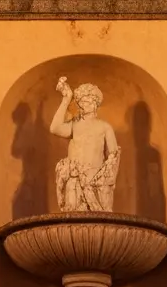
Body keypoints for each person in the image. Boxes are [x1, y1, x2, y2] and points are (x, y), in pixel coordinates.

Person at [49, 77, 120, 213]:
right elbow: (55, 128)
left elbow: (114, 156)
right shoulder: (74, 125)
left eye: (88, 101)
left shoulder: (104, 127)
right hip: (74, 179)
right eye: (81, 102)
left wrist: (104, 179)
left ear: (95, 104)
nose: (84, 104)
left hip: (96, 182)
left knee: (99, 221)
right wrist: (66, 99)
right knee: (73, 217)